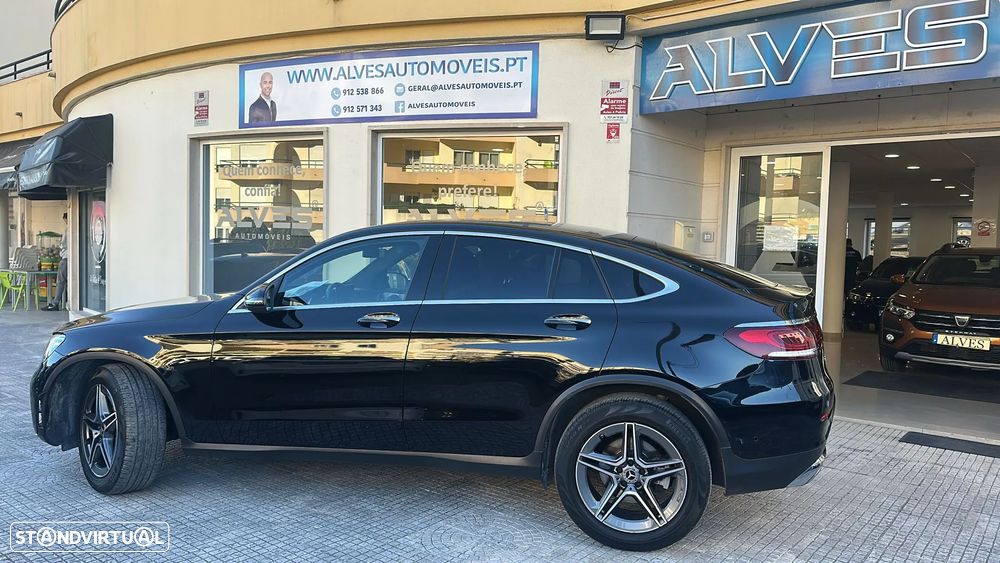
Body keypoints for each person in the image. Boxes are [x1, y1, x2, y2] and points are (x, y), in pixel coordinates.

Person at [45, 212, 68, 311]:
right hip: (71, 258)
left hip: (66, 257)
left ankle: (56, 302)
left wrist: (60, 246)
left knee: (60, 280)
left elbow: (64, 244)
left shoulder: (68, 229)